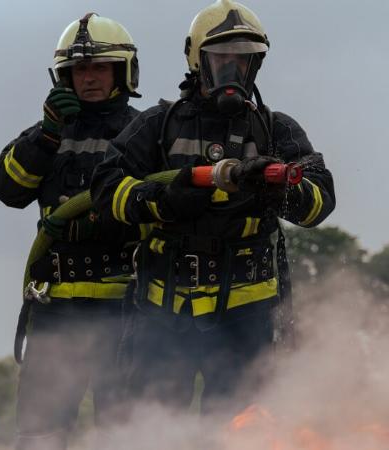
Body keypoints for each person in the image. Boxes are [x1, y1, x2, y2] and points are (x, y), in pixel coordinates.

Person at [90, 0, 335, 415]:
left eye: (242, 60)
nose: (231, 69)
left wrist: (278, 193)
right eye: (222, 57)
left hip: (247, 314)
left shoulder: (276, 129)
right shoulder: (158, 125)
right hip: (163, 309)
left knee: (239, 428)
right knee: (152, 427)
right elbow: (105, 188)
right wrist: (162, 201)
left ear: (254, 65)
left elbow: (319, 202)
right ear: (198, 58)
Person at [0, 13, 142, 449]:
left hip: (125, 311)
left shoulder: (146, 131)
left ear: (122, 71)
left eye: (98, 67)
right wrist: (48, 134)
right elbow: (6, 188)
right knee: (40, 435)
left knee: (129, 434)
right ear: (63, 76)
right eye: (78, 70)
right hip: (56, 313)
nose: (88, 78)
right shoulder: (47, 135)